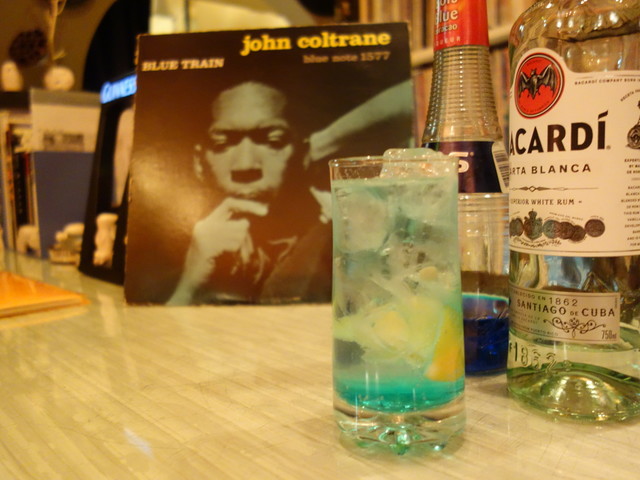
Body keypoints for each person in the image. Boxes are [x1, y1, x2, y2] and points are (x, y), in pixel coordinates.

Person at [166, 79, 413, 305]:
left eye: (273, 141)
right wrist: (189, 287)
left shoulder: (346, 222)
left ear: (303, 152)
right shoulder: (180, 253)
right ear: (199, 161)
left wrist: (324, 141)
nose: (246, 165)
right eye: (222, 143)